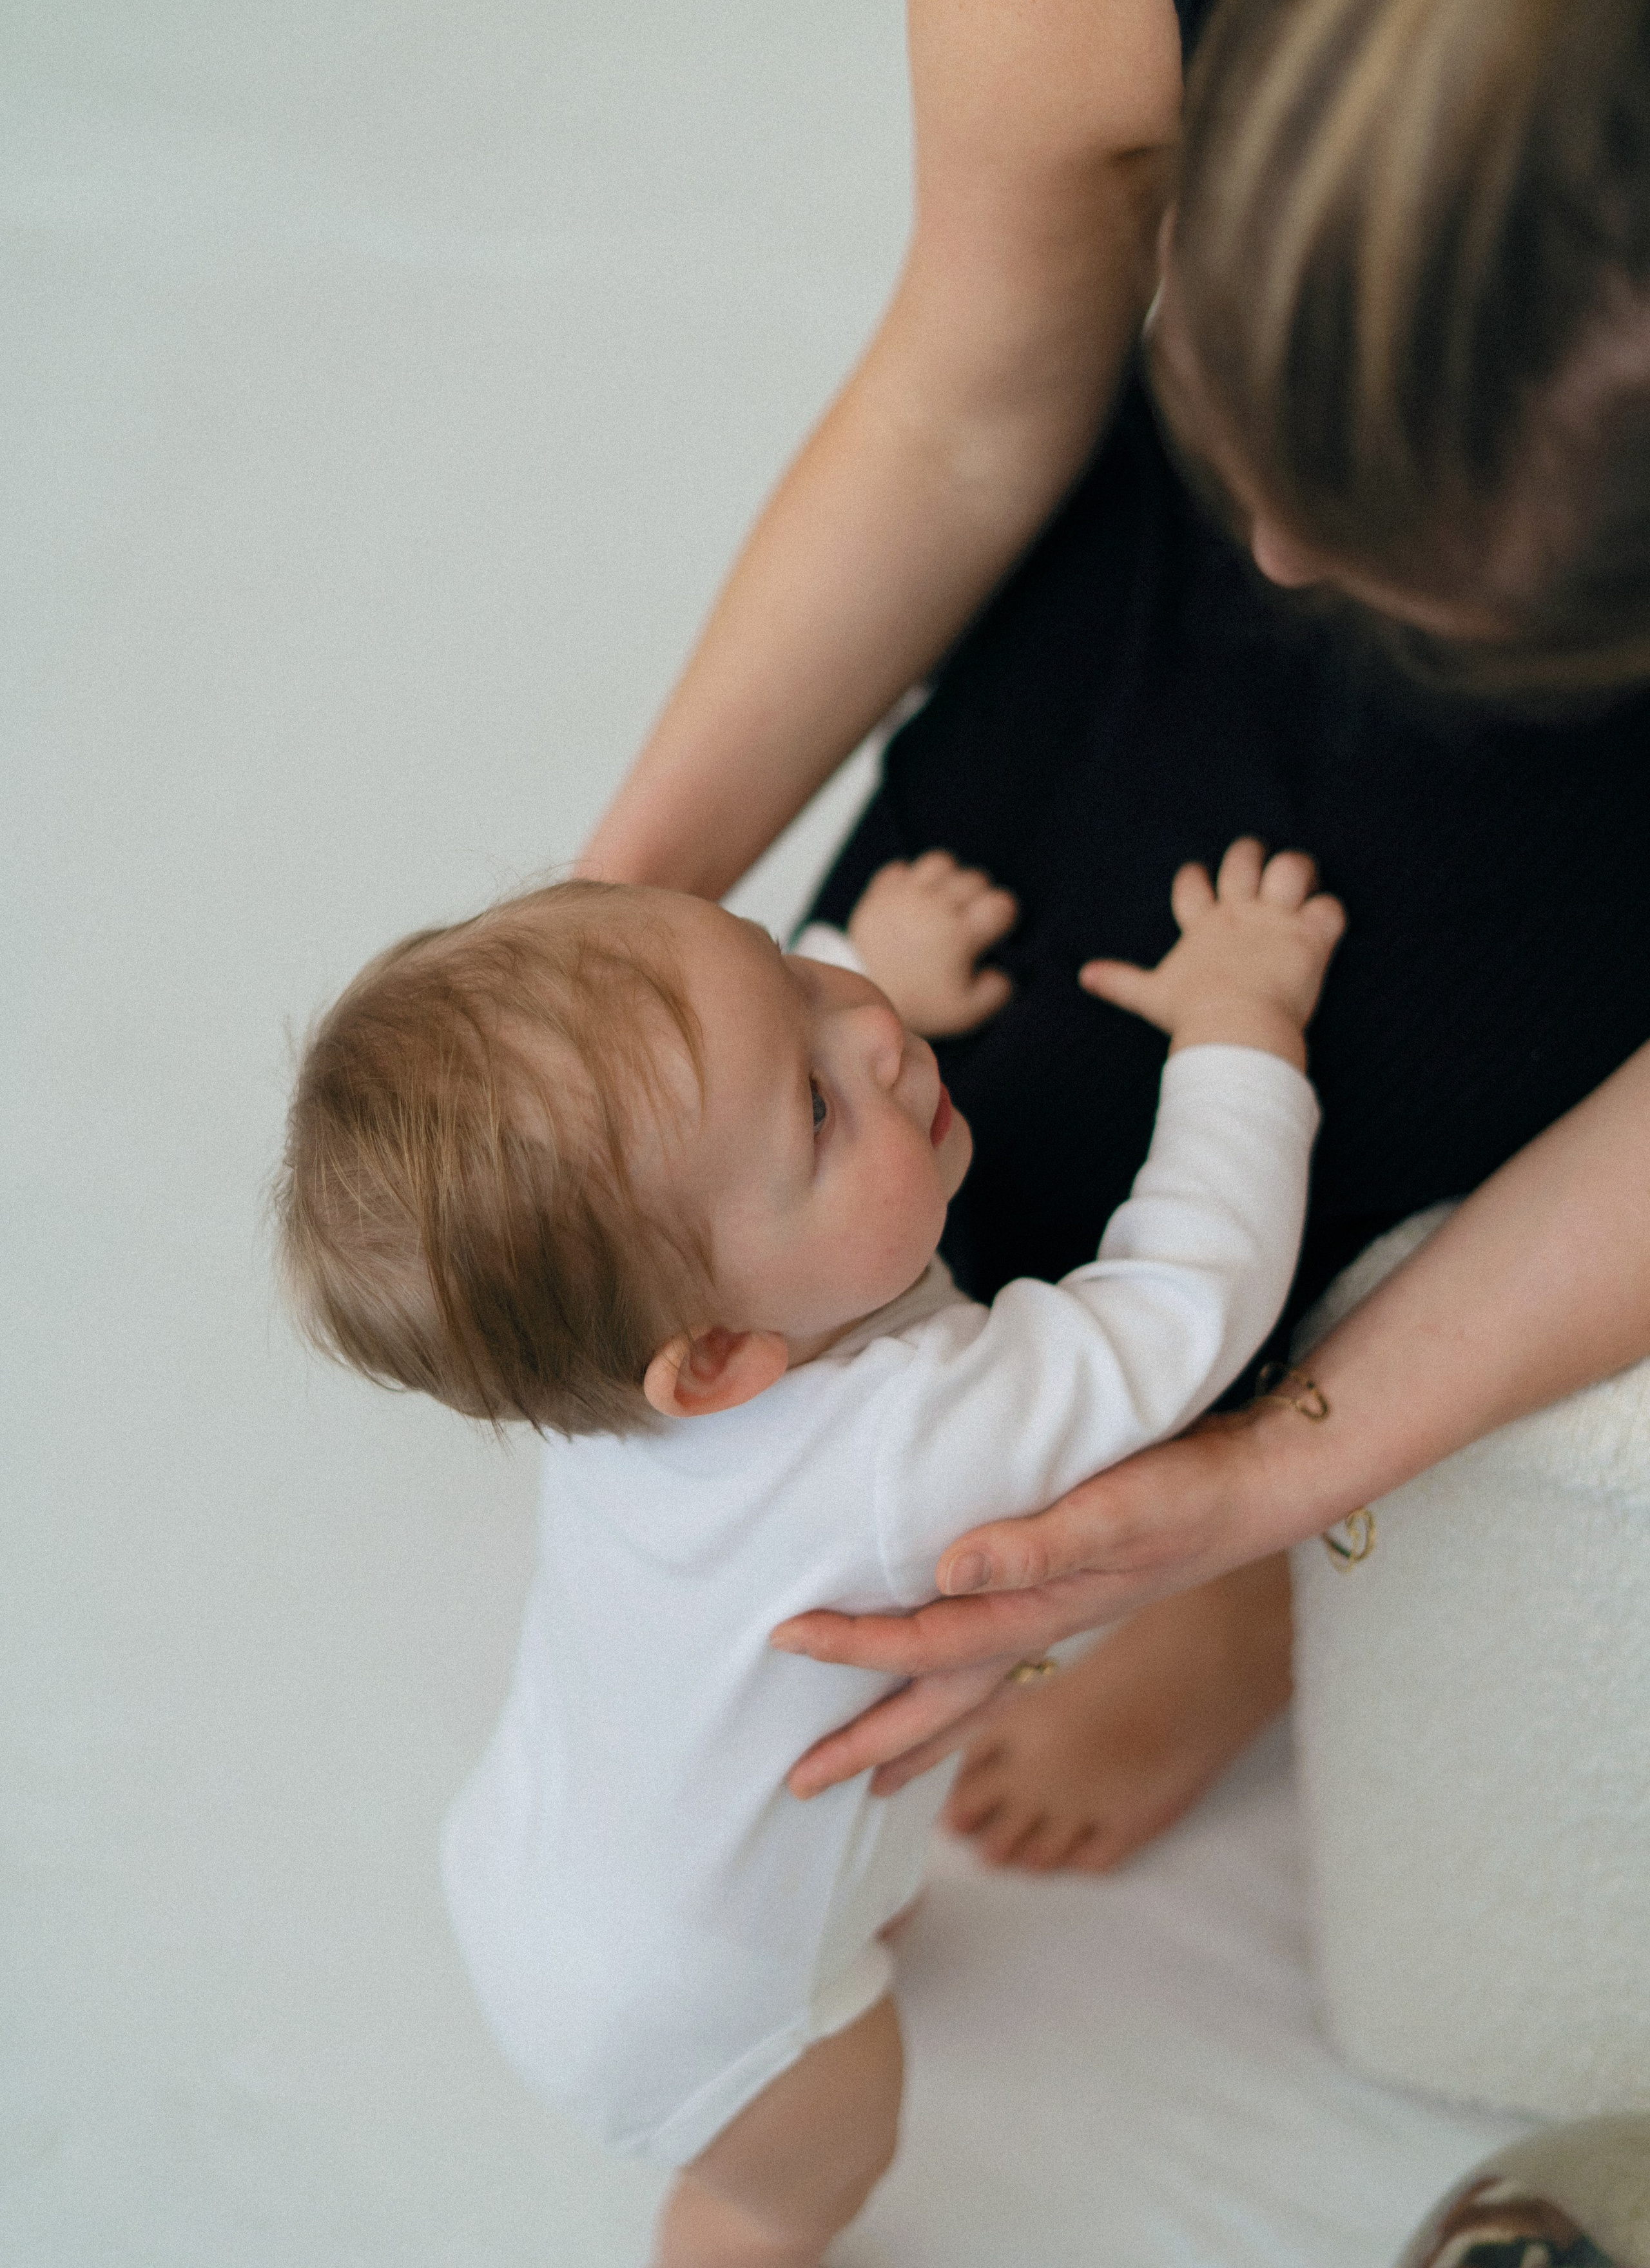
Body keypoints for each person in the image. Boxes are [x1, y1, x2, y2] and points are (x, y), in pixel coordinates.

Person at [578, 0, 1650, 1872]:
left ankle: (1262, 1560)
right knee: (925, 1109)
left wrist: (1273, 1473)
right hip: (1189, 621)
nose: (1279, 543)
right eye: (1255, 409)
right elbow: (970, 396)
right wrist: (617, 924)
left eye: (1394, 543)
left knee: (1330, 1173)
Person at [277, 842, 1340, 2267]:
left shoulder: (601, 1364)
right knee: (799, 2181)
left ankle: (844, 1931)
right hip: (710, 2020)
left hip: (535, 1861)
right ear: (716, 1356)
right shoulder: (912, 1441)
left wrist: (861, 968)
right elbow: (1185, 1299)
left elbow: (710, 1116)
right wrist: (1238, 1032)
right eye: (822, 1105)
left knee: (800, 1853)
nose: (875, 1031)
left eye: (791, 972)